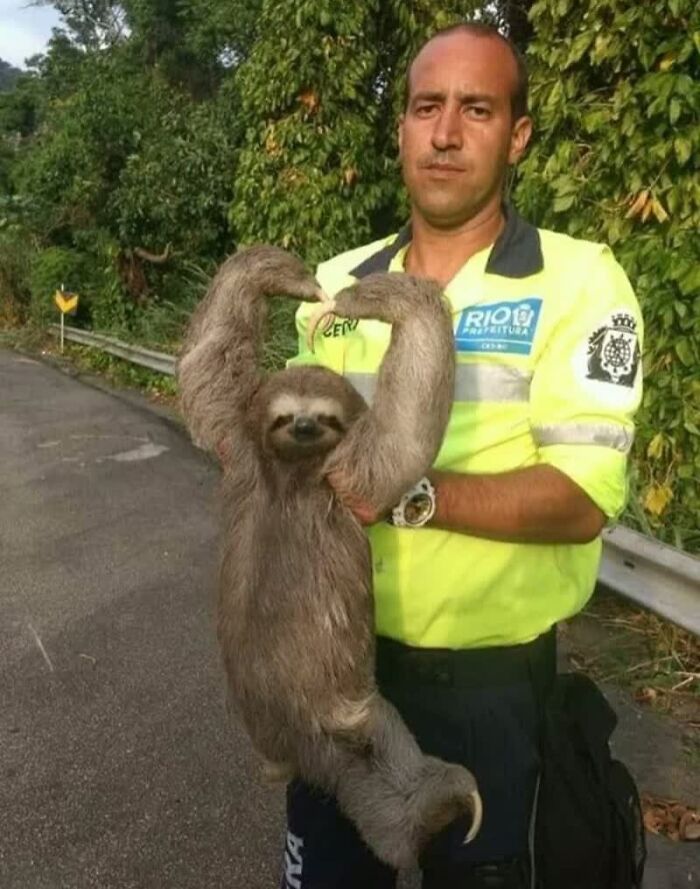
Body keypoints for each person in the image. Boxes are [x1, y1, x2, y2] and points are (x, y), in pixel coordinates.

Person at [281, 21, 644, 889]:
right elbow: (291, 466)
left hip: (491, 695)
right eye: (425, 107)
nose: (445, 133)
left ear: (516, 135)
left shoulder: (579, 280)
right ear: (401, 127)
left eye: (476, 109)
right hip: (336, 666)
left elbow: (582, 497)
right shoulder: (334, 286)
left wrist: (406, 494)